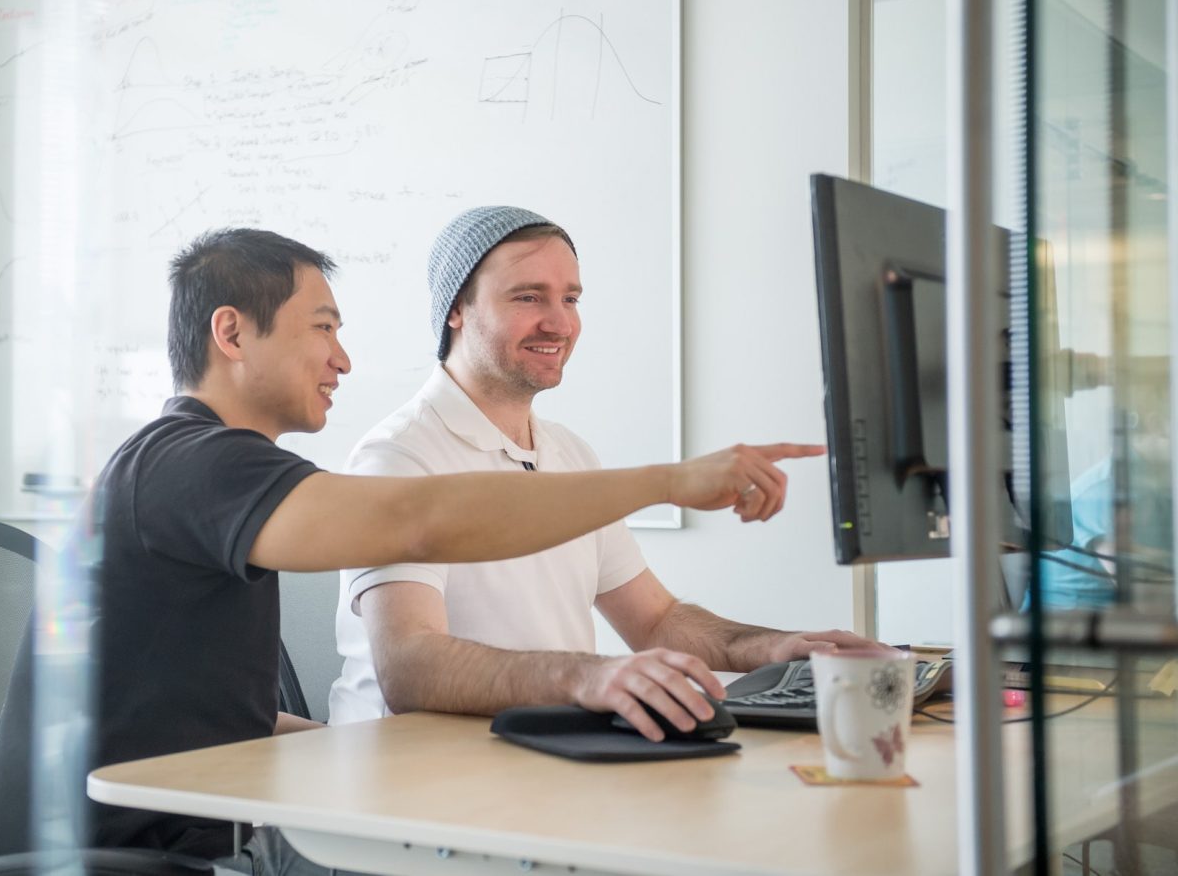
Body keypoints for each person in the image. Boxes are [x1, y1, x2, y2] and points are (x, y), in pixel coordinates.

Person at [76, 227, 823, 872]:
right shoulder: (195, 463)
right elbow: (417, 521)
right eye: (322, 328)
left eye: (572, 297)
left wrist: (778, 650)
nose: (343, 360)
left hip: (216, 825)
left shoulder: (210, 473)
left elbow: (209, 714)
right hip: (165, 850)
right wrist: (669, 481)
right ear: (233, 334)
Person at [327, 206, 874, 737]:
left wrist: (775, 648)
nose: (560, 322)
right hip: (407, 787)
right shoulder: (397, 458)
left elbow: (656, 621)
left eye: (570, 298)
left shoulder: (569, 453)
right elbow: (410, 667)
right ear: (457, 309)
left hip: (534, 764)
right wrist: (590, 675)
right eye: (528, 297)